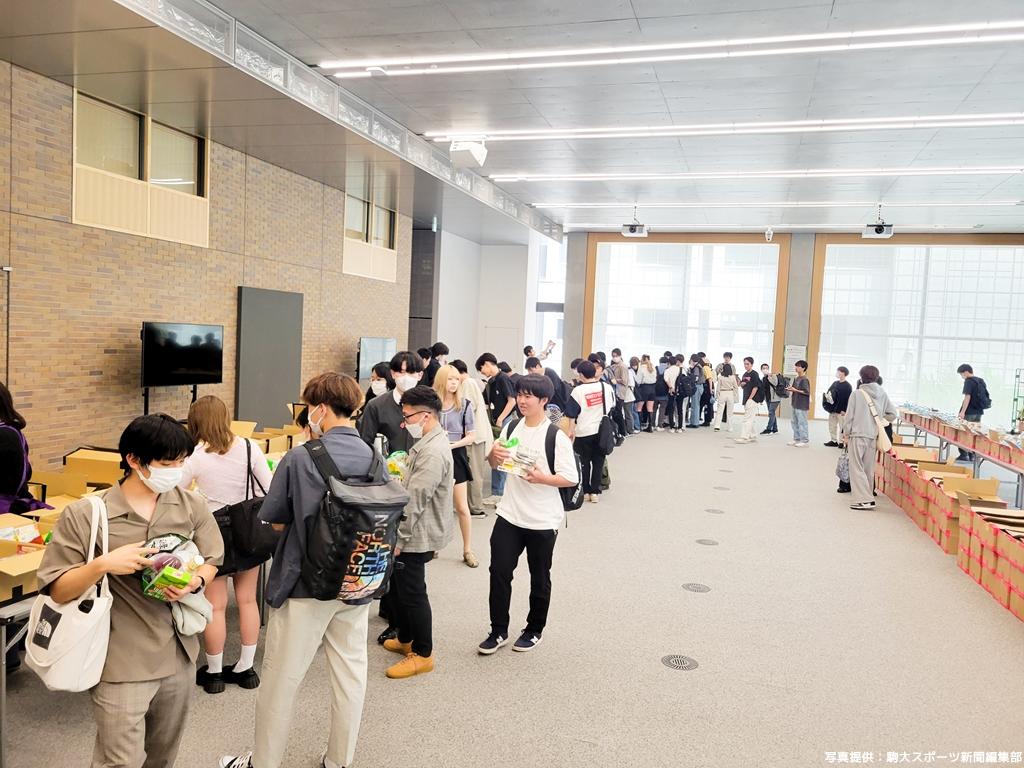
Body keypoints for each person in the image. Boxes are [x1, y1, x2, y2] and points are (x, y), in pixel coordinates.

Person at [39, 414, 222, 768]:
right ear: (134, 460)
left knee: (163, 758)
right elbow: (57, 590)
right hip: (120, 662)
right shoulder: (87, 515)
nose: (177, 472)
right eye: (167, 464)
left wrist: (196, 581)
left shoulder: (190, 505)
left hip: (179, 655)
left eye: (182, 462)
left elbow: (213, 559)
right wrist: (101, 565)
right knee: (120, 761)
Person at [221, 373, 374, 768]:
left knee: (281, 681)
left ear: (320, 408)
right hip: (357, 580)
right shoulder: (374, 455)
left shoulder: (301, 457)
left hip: (304, 584)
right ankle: (339, 760)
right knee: (350, 675)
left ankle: (264, 762)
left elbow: (274, 520)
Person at [479, 375, 578, 655]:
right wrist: (493, 455)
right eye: (520, 395)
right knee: (499, 572)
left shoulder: (555, 436)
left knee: (539, 576)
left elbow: (570, 478)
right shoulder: (511, 427)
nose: (521, 401)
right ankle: (498, 630)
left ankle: (534, 629)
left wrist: (542, 478)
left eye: (528, 396)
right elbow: (496, 464)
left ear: (544, 400)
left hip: (542, 519)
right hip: (510, 514)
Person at [181, 395, 273, 694]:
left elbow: (177, 493)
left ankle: (215, 673)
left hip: (213, 533)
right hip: (248, 529)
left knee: (216, 606)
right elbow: (269, 488)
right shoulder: (249, 446)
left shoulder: (194, 456)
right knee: (247, 600)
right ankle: (247, 669)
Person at [382, 385, 454, 679]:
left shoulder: (433, 452)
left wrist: (399, 538)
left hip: (416, 533)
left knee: (413, 592)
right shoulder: (427, 442)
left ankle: (423, 653)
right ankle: (406, 638)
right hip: (414, 529)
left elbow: (417, 500)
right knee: (401, 588)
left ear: (426, 415)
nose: (404, 423)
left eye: (407, 416)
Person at [434, 365, 480, 567]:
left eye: (456, 379)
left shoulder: (465, 404)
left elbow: (472, 435)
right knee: (434, 503)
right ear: (441, 380)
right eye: (450, 379)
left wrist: (452, 445)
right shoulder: (432, 404)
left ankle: (467, 549)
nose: (454, 383)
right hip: (434, 455)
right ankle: (432, 545)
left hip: (456, 454)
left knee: (461, 506)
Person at [842, 365, 897, 510]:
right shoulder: (882, 393)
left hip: (857, 434)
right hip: (872, 435)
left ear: (862, 377)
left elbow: (849, 417)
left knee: (856, 467)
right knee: (868, 468)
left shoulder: (857, 394)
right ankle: (869, 497)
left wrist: (845, 434)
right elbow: (893, 414)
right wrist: (878, 420)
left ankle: (863, 500)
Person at [565, 360, 616, 503]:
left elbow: (572, 413)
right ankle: (595, 492)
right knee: (599, 461)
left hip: (583, 431)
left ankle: (586, 491)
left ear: (581, 375)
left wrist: (571, 430)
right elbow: (612, 405)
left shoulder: (578, 391)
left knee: (584, 462)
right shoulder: (606, 387)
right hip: (602, 431)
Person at [359, 350, 423, 455]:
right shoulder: (376, 405)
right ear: (393, 374)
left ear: (420, 375)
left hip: (421, 463)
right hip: (386, 464)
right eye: (401, 372)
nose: (406, 377)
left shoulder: (428, 405)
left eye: (411, 372)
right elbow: (365, 443)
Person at [452, 358, 492, 518]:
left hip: (474, 437)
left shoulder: (468, 384)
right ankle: (471, 506)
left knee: (474, 473)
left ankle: (476, 507)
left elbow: (466, 409)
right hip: (475, 435)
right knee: (472, 472)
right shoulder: (470, 383)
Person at [476, 352, 518, 504]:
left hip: (505, 421)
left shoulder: (503, 378)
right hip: (497, 423)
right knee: (497, 455)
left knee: (503, 456)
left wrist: (501, 418)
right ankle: (498, 492)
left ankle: (500, 493)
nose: (482, 373)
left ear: (488, 363)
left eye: (481, 369)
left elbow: (512, 401)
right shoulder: (491, 382)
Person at [957, 364, 991, 461]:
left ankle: (964, 455)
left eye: (961, 374)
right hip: (978, 412)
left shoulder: (968, 381)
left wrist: (962, 412)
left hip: (969, 412)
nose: (962, 376)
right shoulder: (980, 381)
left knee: (964, 433)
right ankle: (972, 455)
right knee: (974, 433)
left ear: (966, 372)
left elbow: (967, 397)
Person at [823, 367, 853, 447]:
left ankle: (841, 442)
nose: (837, 373)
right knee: (832, 425)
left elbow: (848, 399)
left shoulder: (848, 386)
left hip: (841, 411)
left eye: (839, 371)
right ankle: (833, 441)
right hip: (833, 409)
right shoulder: (835, 383)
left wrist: (845, 410)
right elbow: (829, 393)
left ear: (843, 373)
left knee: (842, 426)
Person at [735, 357, 763, 443]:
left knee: (747, 419)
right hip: (746, 398)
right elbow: (743, 386)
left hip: (752, 399)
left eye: (747, 364)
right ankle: (753, 435)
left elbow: (755, 387)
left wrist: (750, 398)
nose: (746, 365)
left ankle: (744, 437)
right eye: (745, 364)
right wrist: (741, 383)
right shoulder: (745, 374)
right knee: (751, 418)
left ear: (752, 364)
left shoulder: (754, 374)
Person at [787, 360, 811, 446]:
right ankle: (796, 438)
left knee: (802, 422)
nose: (796, 368)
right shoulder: (796, 378)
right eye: (796, 366)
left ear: (803, 368)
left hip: (802, 405)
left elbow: (806, 392)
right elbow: (794, 389)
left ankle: (804, 440)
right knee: (794, 422)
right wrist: (791, 389)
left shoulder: (805, 379)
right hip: (795, 403)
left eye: (798, 366)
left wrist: (795, 390)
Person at [713, 361, 738, 431]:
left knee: (719, 411)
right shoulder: (733, 377)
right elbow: (736, 387)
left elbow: (718, 388)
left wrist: (717, 396)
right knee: (730, 412)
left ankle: (717, 426)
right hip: (730, 393)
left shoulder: (721, 377)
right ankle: (730, 427)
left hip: (722, 393)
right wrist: (734, 395)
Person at [635, 354, 657, 432]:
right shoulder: (653, 367)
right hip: (652, 388)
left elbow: (638, 380)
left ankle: (639, 426)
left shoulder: (641, 368)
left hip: (644, 388)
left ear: (642, 359)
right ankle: (650, 427)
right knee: (650, 408)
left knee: (639, 408)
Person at [760, 363, 781, 435]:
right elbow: (763, 390)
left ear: (768, 369)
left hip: (775, 398)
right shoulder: (763, 379)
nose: (765, 369)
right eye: (763, 368)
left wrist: (769, 376)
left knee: (771, 413)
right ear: (761, 370)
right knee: (772, 413)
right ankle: (775, 429)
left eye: (766, 368)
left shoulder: (773, 375)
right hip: (768, 399)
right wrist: (762, 399)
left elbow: (775, 383)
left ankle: (768, 429)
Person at [664, 355, 682, 432]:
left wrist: (671, 387)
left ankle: (672, 427)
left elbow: (666, 380)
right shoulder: (680, 369)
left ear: (669, 362)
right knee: (679, 410)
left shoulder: (667, 370)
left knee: (671, 409)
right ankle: (680, 427)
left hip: (671, 391)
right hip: (680, 391)